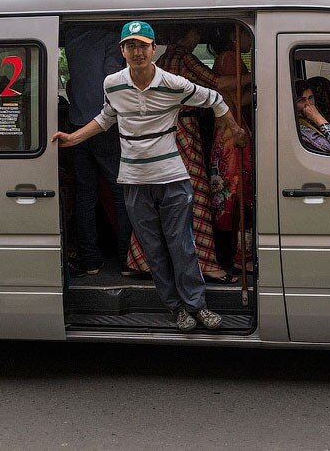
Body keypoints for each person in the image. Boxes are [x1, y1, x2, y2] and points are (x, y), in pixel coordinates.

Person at [52, 21, 247, 332]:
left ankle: (197, 305)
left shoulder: (173, 83)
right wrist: (74, 138)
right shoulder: (112, 83)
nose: (137, 51)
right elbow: (106, 116)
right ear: (122, 51)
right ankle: (176, 308)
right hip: (133, 181)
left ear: (154, 49)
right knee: (154, 252)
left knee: (182, 246)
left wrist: (234, 130)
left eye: (143, 45)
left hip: (171, 178)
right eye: (131, 46)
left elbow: (216, 100)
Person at [137, 23, 248, 284]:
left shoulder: (165, 58)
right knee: (195, 194)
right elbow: (217, 83)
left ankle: (140, 260)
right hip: (184, 131)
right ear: (187, 34)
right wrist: (256, 75)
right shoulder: (183, 58)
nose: (199, 38)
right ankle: (207, 262)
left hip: (165, 131)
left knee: (161, 199)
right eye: (197, 33)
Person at [63, 25, 129, 276]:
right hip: (103, 125)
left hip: (77, 124)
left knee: (85, 194)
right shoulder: (110, 39)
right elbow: (113, 83)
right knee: (120, 191)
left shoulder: (71, 36)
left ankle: (90, 259)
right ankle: (126, 258)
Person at [208, 25, 255, 273]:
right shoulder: (230, 59)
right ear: (236, 36)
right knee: (237, 196)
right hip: (232, 135)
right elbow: (235, 99)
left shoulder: (224, 58)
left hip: (226, 135)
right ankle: (238, 256)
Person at [295, 80, 330, 155]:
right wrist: (318, 117)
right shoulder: (301, 128)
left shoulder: (309, 120)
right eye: (301, 100)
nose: (308, 104)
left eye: (310, 97)